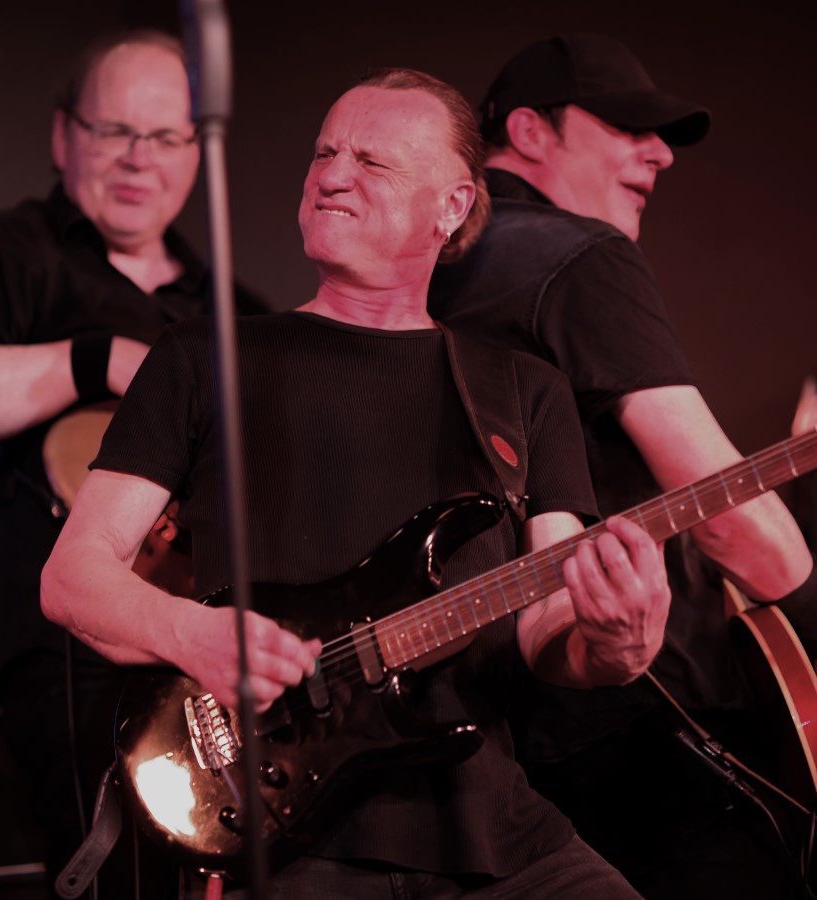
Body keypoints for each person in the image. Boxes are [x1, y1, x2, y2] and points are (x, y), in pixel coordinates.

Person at [42, 67, 673, 899]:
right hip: (283, 829)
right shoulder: (203, 357)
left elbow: (546, 627)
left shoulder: (523, 391)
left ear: (452, 205)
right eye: (323, 153)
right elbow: (73, 577)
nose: (331, 176)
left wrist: (615, 645)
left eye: (371, 162)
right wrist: (193, 635)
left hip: (492, 832)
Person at [428, 33, 814, 899]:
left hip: (469, 738)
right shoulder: (576, 256)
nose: (660, 154)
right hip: (634, 720)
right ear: (528, 130)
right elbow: (729, 520)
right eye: (627, 127)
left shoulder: (419, 269)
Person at [0, 28, 263, 898]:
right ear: (64, 135)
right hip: (66, 659)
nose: (140, 158)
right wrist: (96, 360)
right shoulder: (0, 255)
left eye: (166, 136)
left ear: (197, 152)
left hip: (211, 660)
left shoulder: (236, 312)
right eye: (114, 131)